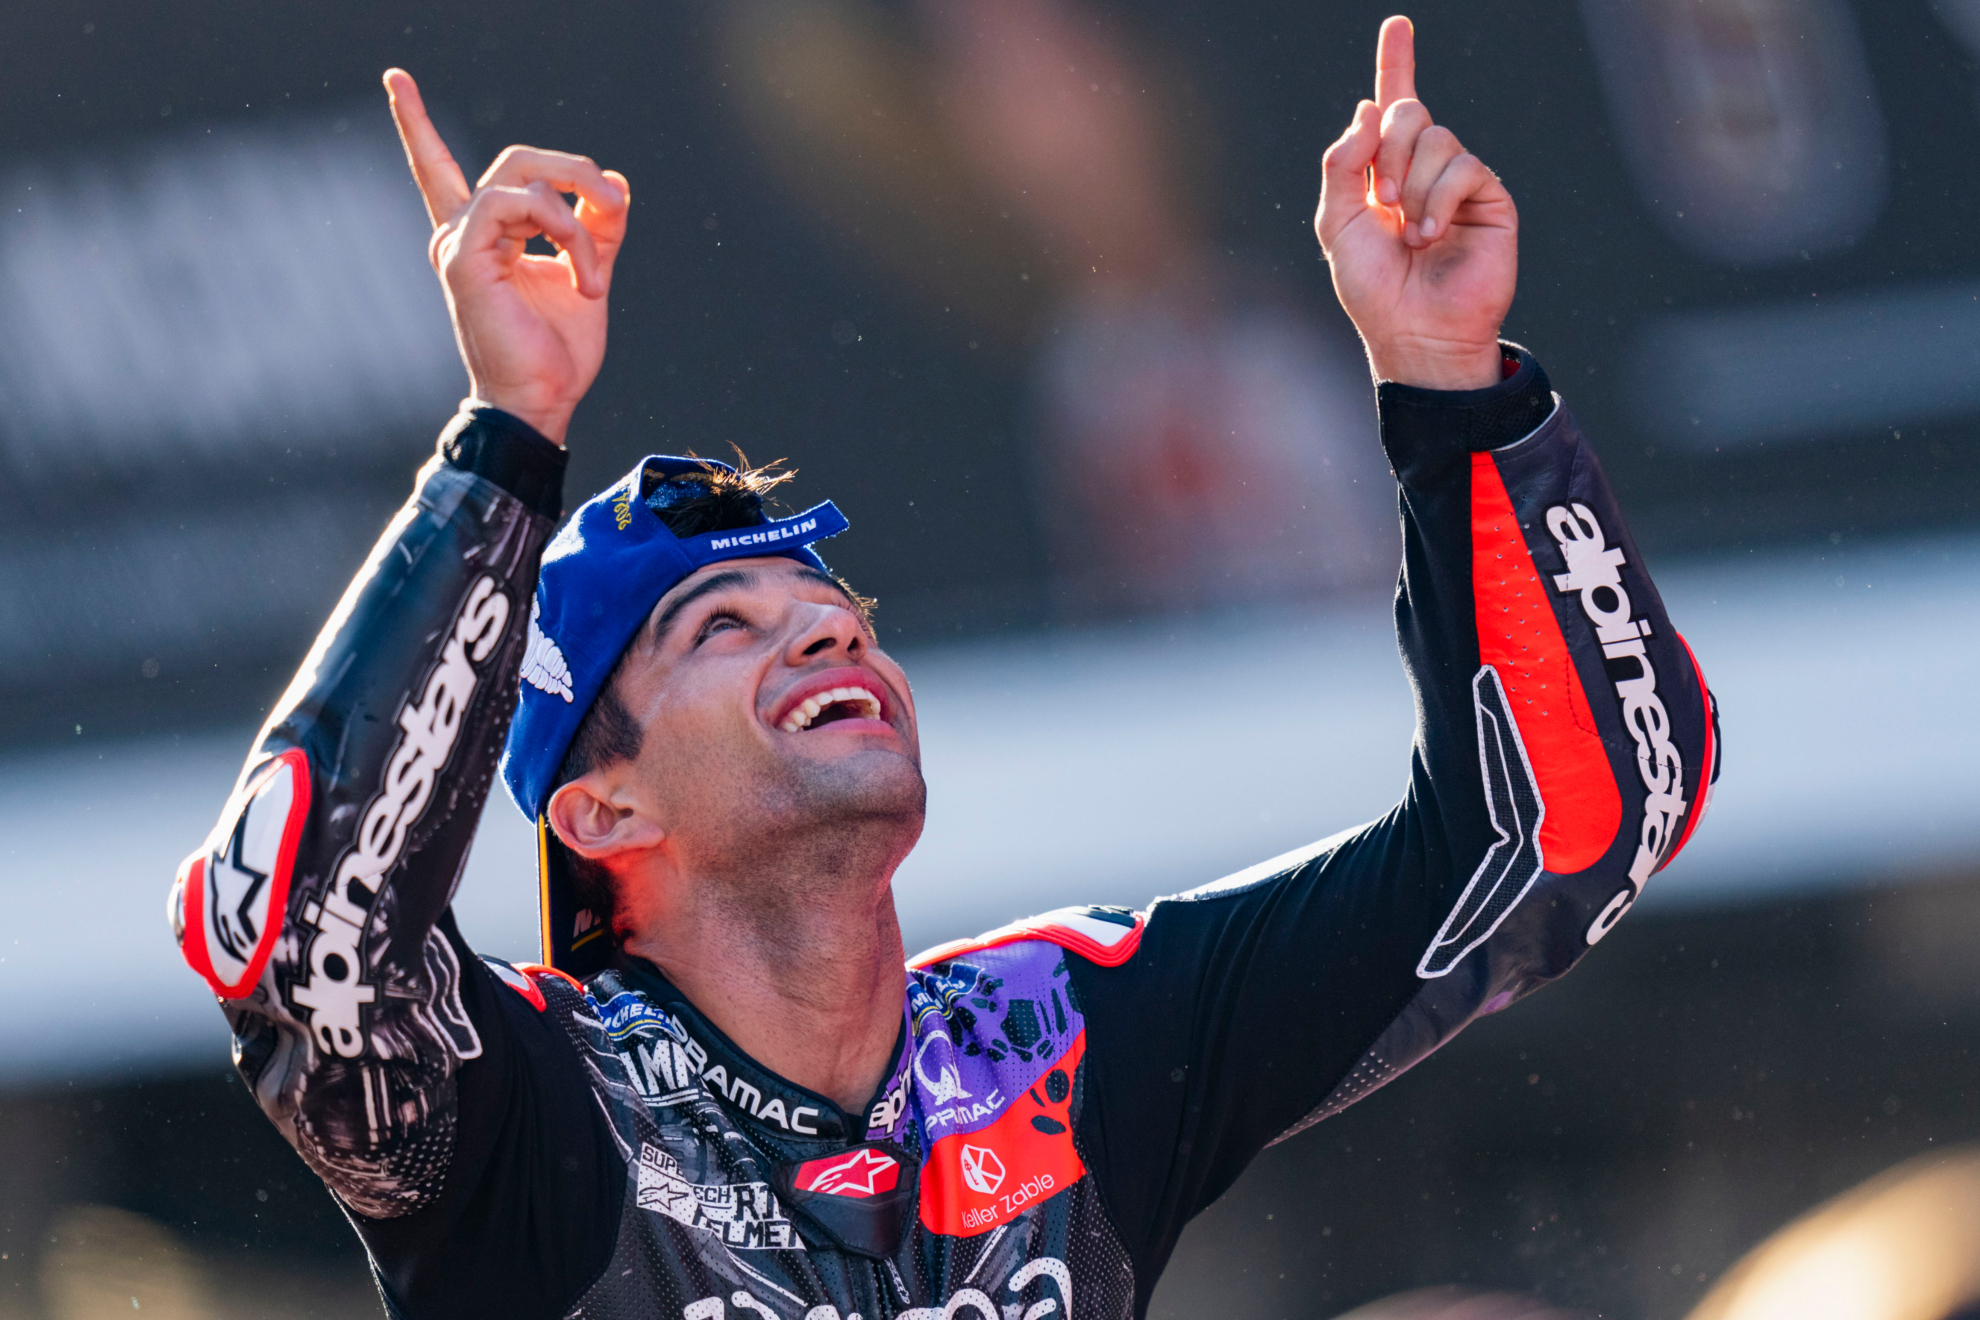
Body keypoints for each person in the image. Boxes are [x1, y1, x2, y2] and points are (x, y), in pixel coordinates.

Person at [168, 16, 1720, 1320]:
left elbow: (1571, 833)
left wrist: (1456, 393)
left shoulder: (1065, 1038)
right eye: (723, 628)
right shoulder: (535, 1117)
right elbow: (295, 939)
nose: (828, 628)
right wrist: (506, 440)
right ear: (602, 815)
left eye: (827, 605)